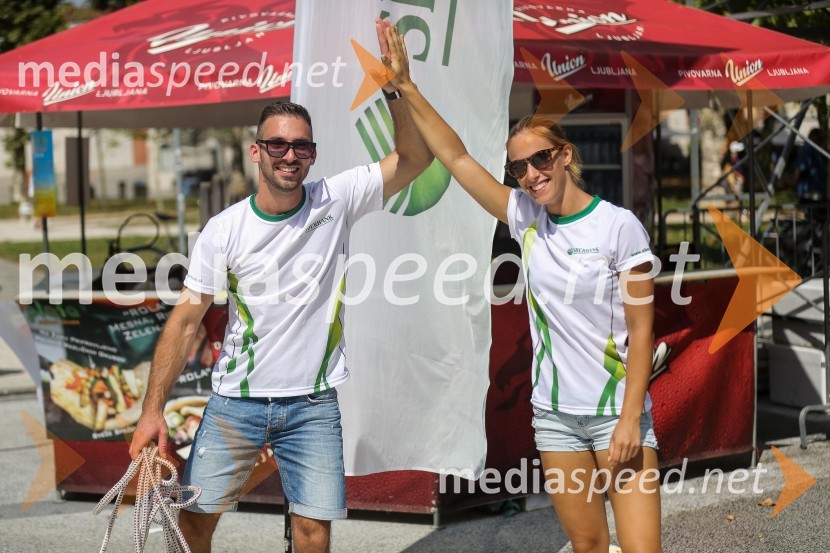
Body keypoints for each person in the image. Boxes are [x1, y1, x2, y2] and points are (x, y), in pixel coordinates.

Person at [129, 21, 433, 553]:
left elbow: (414, 159)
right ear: (256, 151)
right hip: (236, 401)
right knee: (194, 525)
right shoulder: (225, 229)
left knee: (314, 531)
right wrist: (153, 411)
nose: (289, 155)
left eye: (300, 147)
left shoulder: (334, 199)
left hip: (312, 404)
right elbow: (184, 321)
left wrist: (396, 90)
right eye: (277, 144)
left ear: (312, 155)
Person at [381, 25, 662, 553]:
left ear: (564, 155)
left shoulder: (619, 226)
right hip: (554, 419)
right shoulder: (526, 217)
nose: (531, 174)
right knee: (589, 546)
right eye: (518, 167)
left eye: (540, 159)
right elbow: (459, 159)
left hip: (614, 414)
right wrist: (406, 87)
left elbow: (643, 333)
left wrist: (631, 419)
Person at [794, 128, 828, 204]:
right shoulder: (808, 147)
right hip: (809, 191)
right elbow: (801, 168)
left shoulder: (816, 149)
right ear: (813, 136)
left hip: (814, 190)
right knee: (812, 212)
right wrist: (795, 182)